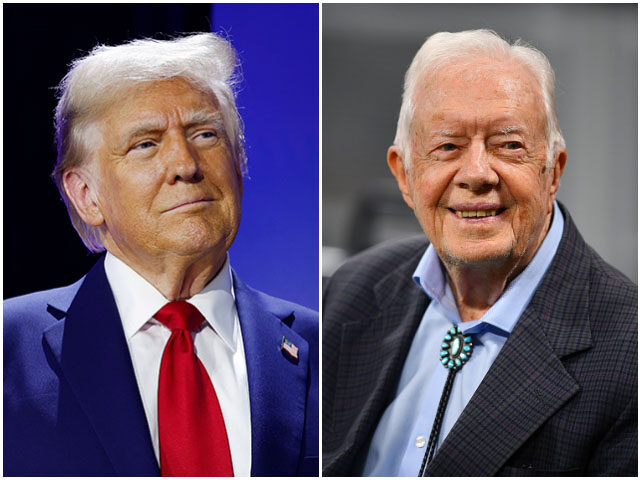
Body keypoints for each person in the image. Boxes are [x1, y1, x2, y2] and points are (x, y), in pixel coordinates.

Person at [323, 29, 636, 476]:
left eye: (508, 145)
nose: (476, 174)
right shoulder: (350, 292)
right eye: (447, 146)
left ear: (553, 172)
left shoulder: (629, 353)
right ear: (405, 176)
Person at [4, 33, 318, 477]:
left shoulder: (325, 348)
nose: (186, 164)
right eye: (146, 144)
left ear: (239, 164)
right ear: (87, 195)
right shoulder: (9, 349)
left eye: (205, 134)